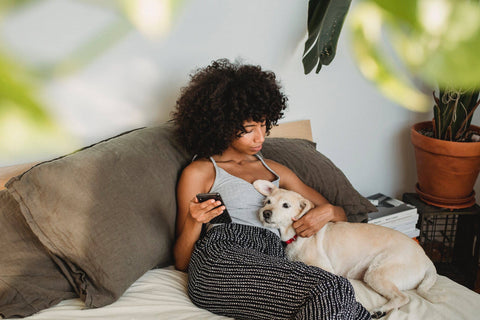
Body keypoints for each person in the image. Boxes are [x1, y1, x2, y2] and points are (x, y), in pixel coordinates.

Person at [172, 59, 370, 320]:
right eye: (249, 129)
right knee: (332, 286)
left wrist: (328, 211)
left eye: (264, 125)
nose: (261, 137)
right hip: (220, 258)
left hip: (273, 258)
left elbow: (338, 215)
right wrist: (193, 220)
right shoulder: (200, 172)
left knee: (347, 304)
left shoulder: (277, 170)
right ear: (221, 125)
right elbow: (182, 261)